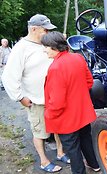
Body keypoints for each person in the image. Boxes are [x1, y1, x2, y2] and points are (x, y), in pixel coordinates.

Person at [1, 14, 70, 173]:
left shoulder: (46, 44)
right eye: (45, 30)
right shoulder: (21, 48)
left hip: (54, 97)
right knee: (40, 131)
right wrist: (20, 97)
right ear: (33, 29)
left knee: (58, 127)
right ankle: (44, 162)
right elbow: (9, 76)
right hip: (36, 99)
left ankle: (60, 152)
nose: (48, 33)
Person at [41, 31, 100, 174]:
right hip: (82, 112)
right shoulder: (78, 57)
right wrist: (77, 95)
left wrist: (48, 114)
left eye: (46, 47)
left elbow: (57, 102)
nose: (44, 50)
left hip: (67, 118)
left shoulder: (55, 68)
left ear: (54, 47)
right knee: (86, 139)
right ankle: (95, 164)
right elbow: (89, 82)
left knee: (73, 150)